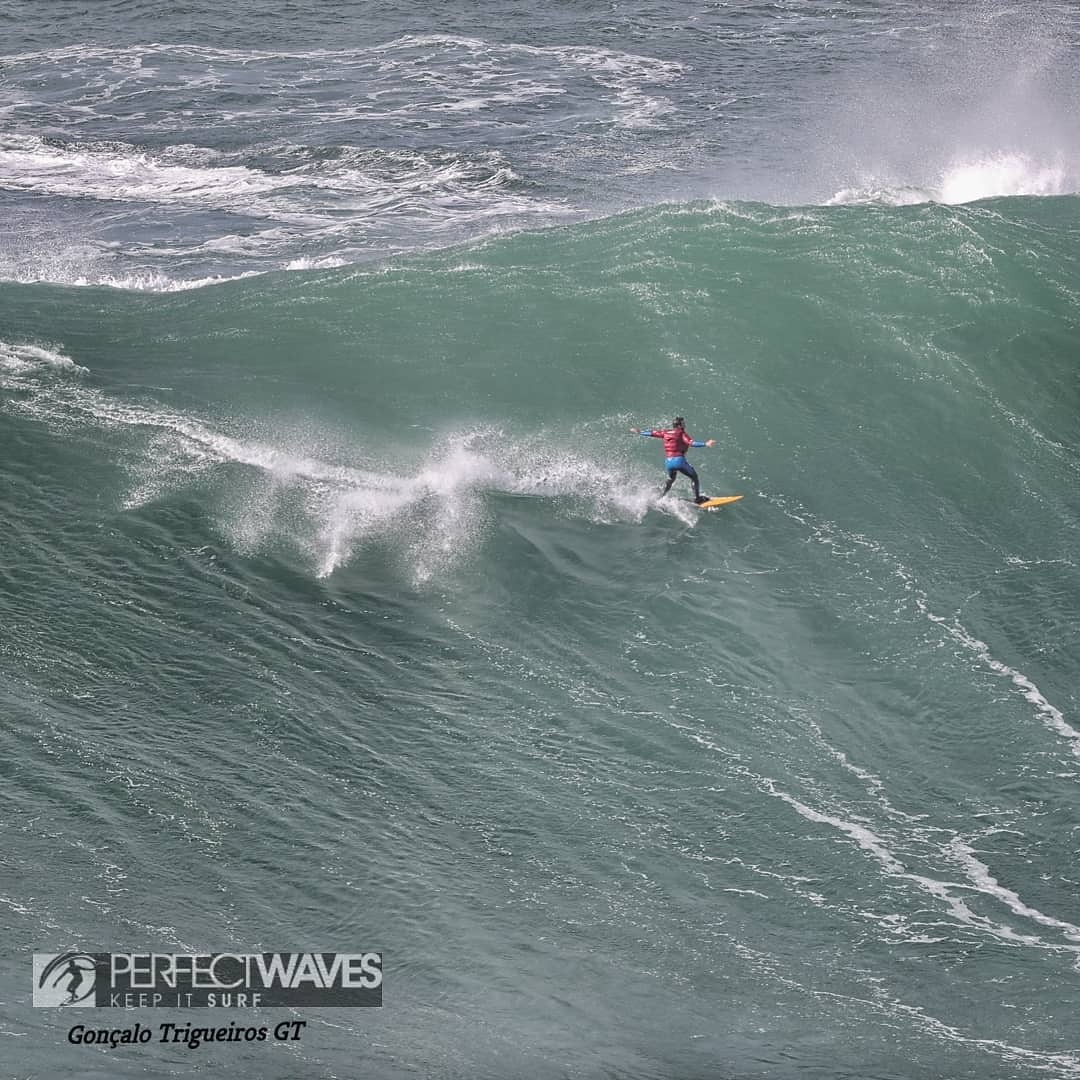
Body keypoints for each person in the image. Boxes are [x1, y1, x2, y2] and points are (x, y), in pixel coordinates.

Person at [630, 416, 715, 502]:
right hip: (679, 461)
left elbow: (652, 433)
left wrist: (639, 432)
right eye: (683, 423)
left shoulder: (665, 432)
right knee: (694, 477)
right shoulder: (681, 433)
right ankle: (698, 498)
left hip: (668, 462)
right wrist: (705, 444)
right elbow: (691, 443)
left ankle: (661, 496)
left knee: (671, 479)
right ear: (679, 426)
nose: (685, 425)